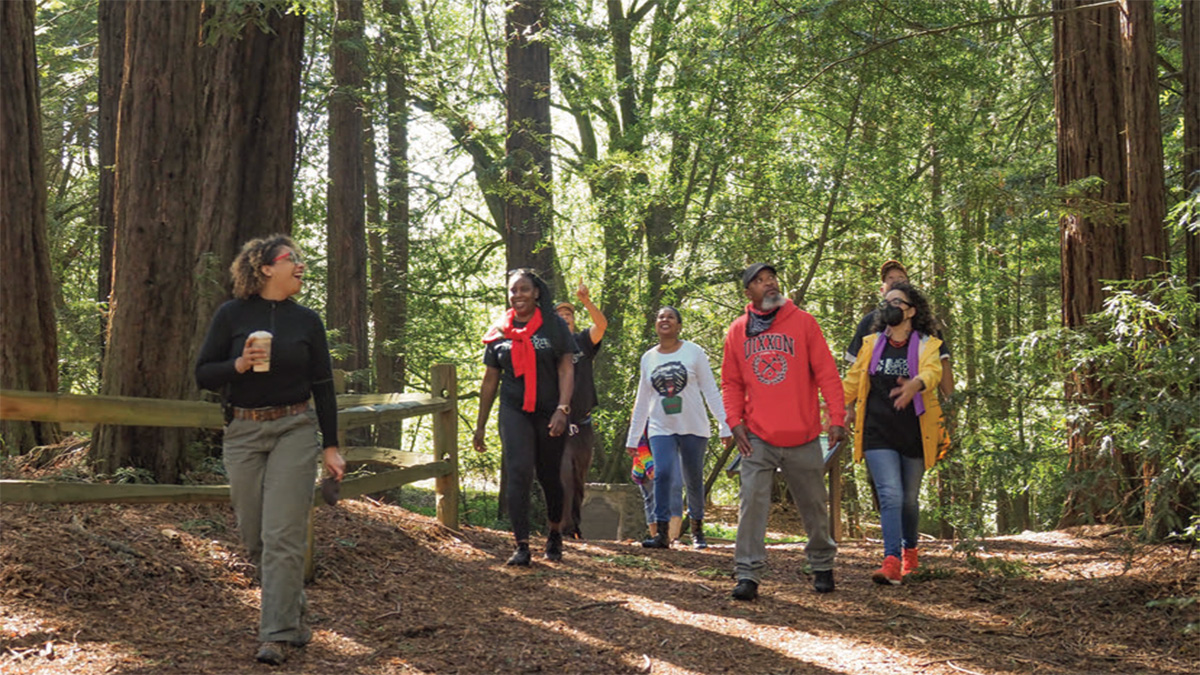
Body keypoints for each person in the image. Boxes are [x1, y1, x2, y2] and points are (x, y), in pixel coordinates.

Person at [195, 235, 346, 666]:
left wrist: (330, 447)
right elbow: (203, 374)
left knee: (282, 534)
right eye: (290, 259)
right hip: (243, 431)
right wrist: (238, 365)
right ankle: (293, 615)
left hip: (294, 430)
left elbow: (323, 386)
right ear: (264, 268)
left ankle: (276, 635)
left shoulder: (307, 321)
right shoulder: (231, 315)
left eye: (300, 260)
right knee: (255, 535)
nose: (300, 265)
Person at [721, 263, 847, 600]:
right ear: (748, 293)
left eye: (772, 278)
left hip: (802, 433)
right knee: (752, 502)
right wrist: (734, 422)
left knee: (814, 505)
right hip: (757, 435)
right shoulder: (737, 331)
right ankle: (748, 573)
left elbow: (827, 373)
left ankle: (822, 564)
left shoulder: (803, 322)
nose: (769, 284)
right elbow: (731, 384)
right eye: (760, 281)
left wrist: (837, 417)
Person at [842, 282, 944, 585]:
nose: (889, 306)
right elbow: (853, 379)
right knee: (890, 495)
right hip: (877, 431)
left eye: (897, 302)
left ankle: (910, 553)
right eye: (885, 301)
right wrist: (832, 403)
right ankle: (890, 560)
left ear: (911, 311)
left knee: (909, 500)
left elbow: (933, 372)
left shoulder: (928, 344)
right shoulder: (871, 343)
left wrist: (916, 384)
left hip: (913, 432)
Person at [474, 269, 575, 566]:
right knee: (517, 471)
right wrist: (480, 425)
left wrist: (562, 409)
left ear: (537, 292)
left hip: (548, 410)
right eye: (513, 290)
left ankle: (555, 532)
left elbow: (566, 368)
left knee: (549, 476)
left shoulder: (554, 326)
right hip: (514, 409)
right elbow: (490, 380)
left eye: (524, 290)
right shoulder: (499, 331)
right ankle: (521, 545)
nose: (518, 295)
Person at [625, 306, 731, 550]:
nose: (665, 320)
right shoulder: (648, 358)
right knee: (662, 474)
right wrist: (633, 437)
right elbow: (642, 400)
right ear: (655, 325)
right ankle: (661, 532)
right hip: (661, 427)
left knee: (693, 478)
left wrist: (724, 425)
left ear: (679, 325)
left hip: (694, 426)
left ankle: (697, 529)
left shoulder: (694, 352)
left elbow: (710, 391)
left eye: (670, 317)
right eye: (660, 316)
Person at [845, 260, 952, 399]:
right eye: (890, 278)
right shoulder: (869, 326)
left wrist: (951, 404)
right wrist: (846, 407)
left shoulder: (928, 333)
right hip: (874, 415)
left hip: (917, 415)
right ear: (882, 290)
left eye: (901, 278)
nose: (896, 282)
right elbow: (856, 372)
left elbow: (938, 367)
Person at [554, 282, 607, 540]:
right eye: (560, 316)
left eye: (569, 315)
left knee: (577, 478)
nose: (565, 319)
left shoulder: (582, 342)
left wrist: (586, 301)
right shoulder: (549, 347)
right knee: (562, 474)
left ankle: (573, 527)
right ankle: (559, 527)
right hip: (559, 423)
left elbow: (602, 326)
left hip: (583, 424)